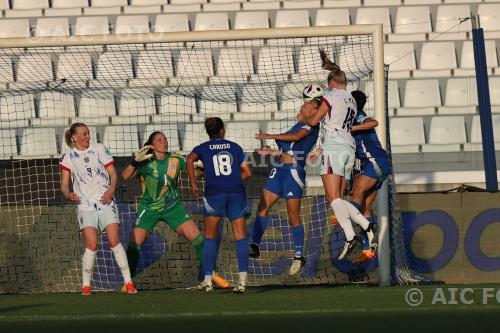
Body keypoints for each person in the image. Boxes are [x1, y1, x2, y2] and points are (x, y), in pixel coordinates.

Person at [122, 131, 228, 288]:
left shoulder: (176, 158)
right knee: (134, 244)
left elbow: (195, 172)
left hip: (173, 207)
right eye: (159, 140)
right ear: (152, 145)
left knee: (198, 238)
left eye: (165, 139)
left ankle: (211, 274)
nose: (164, 142)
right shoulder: (145, 162)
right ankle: (127, 283)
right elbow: (125, 176)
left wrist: (205, 168)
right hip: (149, 209)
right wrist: (134, 162)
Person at [300, 70, 376, 261]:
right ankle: (366, 226)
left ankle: (351, 236)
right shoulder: (351, 98)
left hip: (334, 147)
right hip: (348, 147)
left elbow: (315, 120)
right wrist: (320, 148)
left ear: (331, 82)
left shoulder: (330, 95)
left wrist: (303, 118)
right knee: (338, 197)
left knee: (333, 197)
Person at [248, 83, 322, 276]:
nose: (301, 107)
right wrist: (271, 151)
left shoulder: (311, 125)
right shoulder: (299, 123)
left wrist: (269, 135)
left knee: (293, 215)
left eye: (305, 105)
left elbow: (296, 138)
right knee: (263, 206)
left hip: (294, 172)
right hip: (280, 168)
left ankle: (298, 256)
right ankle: (254, 244)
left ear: (314, 108)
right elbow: (289, 148)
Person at [59, 122, 137, 296]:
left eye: (88, 133)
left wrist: (111, 190)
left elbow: (113, 173)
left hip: (106, 202)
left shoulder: (100, 149)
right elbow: (64, 185)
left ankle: (129, 282)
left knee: (114, 240)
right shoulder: (68, 157)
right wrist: (67, 194)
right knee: (92, 244)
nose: (88, 137)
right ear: (74, 137)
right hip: (85, 205)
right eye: (84, 134)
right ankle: (86, 285)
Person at [186, 117, 252, 293]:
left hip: (214, 193)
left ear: (208, 132)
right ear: (222, 130)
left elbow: (189, 160)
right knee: (240, 237)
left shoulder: (202, 148)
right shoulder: (235, 147)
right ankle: (243, 282)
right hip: (236, 192)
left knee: (210, 237)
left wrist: (193, 183)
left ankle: (207, 281)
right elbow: (247, 172)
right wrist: (231, 181)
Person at [350, 90, 391, 263]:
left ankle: (347, 224)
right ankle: (368, 248)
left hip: (375, 161)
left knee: (357, 191)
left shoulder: (358, 116)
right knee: (365, 208)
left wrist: (353, 128)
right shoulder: (351, 118)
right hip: (378, 165)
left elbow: (373, 122)